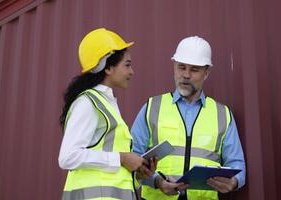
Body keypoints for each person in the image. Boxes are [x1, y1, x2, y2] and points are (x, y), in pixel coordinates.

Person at [131, 36, 246, 200]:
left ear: (206, 73)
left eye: (194, 70)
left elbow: (237, 164)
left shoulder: (222, 114)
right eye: (181, 67)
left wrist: (234, 182)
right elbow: (132, 158)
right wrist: (157, 181)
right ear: (174, 67)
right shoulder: (152, 107)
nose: (185, 75)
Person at [58, 28, 154, 200]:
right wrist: (122, 158)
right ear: (108, 67)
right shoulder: (87, 103)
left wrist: (138, 174)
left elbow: (110, 176)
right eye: (127, 65)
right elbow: (68, 157)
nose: (132, 72)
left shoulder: (105, 104)